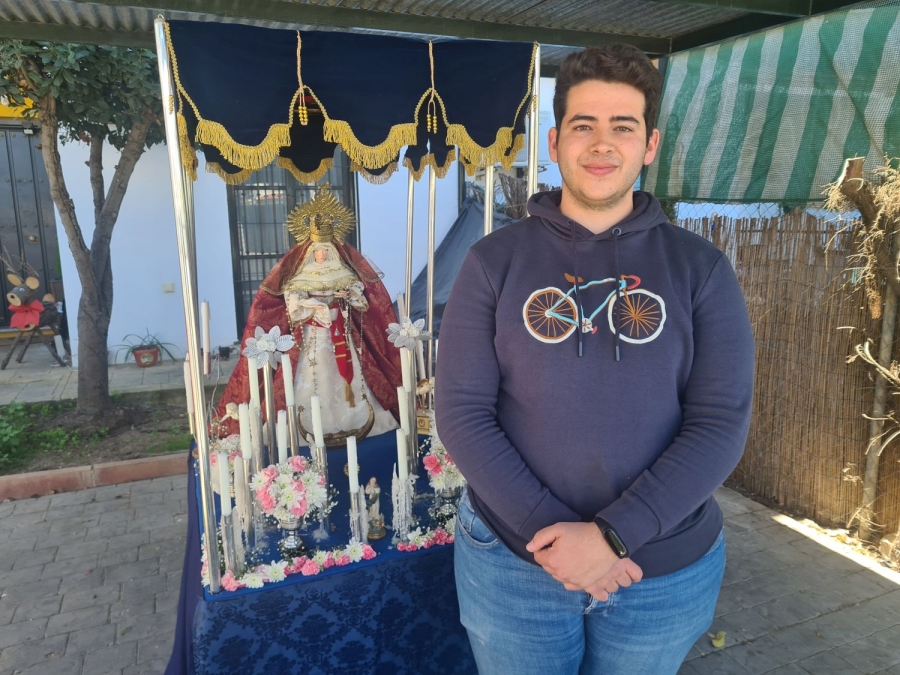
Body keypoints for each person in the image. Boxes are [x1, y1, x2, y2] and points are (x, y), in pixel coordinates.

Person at [435, 44, 755, 675]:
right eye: (584, 126)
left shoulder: (702, 271)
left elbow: (720, 422)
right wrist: (559, 541)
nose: (602, 144)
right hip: (513, 563)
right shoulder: (491, 264)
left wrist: (611, 537)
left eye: (623, 127)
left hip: (660, 569)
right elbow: (463, 412)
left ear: (650, 144)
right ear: (555, 142)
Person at [215, 185, 401, 443]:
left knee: (351, 380)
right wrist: (315, 306)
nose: (322, 255)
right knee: (311, 378)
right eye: (317, 251)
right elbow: (293, 303)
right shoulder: (300, 275)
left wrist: (347, 298)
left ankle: (356, 419)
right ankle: (306, 425)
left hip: (341, 335)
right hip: (312, 336)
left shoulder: (344, 272)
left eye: (326, 250)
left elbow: (360, 299)